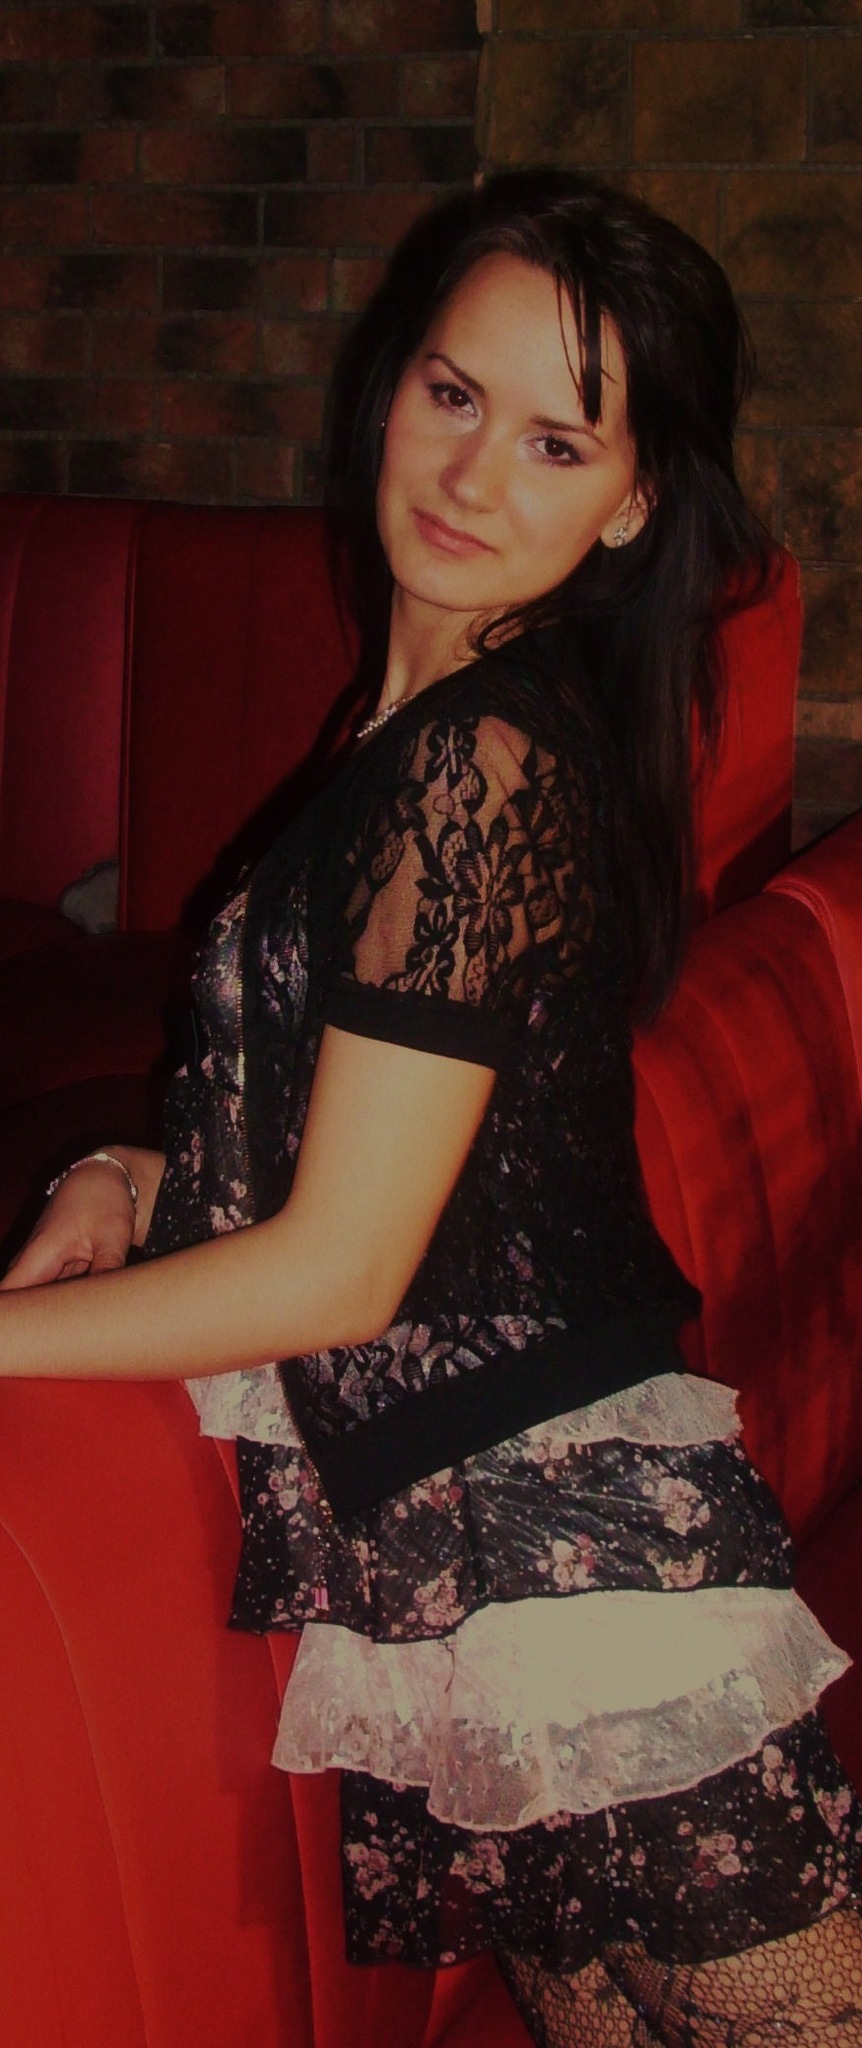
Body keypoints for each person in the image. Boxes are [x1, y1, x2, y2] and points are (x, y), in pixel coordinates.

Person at [1, 171, 861, 2046]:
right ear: (389, 381)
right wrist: (132, 1162)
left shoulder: (479, 757)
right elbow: (379, 1121)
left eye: (556, 440)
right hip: (456, 1552)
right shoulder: (413, 727)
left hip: (562, 1564)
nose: (473, 476)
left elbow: (341, 1270)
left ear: (628, 502)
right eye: (453, 395)